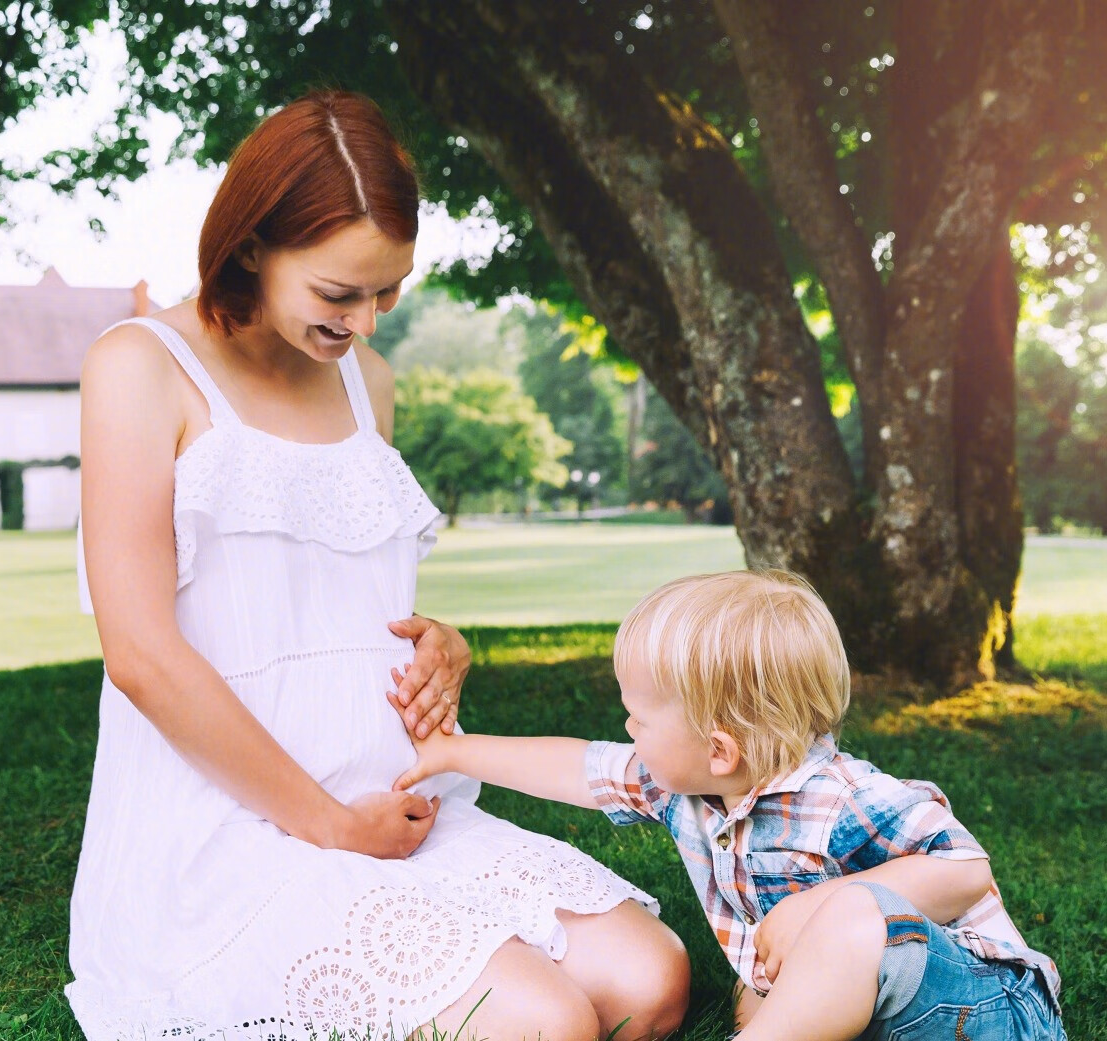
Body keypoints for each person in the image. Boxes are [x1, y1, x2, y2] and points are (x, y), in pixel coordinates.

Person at [69, 90, 688, 1041]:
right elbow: (142, 656)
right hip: (230, 824)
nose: (366, 321)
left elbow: (332, 595)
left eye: (387, 289)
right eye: (338, 292)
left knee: (651, 978)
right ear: (249, 248)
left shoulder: (370, 382)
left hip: (391, 797)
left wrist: (438, 643)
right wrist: (324, 821)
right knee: (541, 1021)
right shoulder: (139, 366)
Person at [395, 570, 1066, 1041]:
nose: (627, 733)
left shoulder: (840, 795)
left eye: (639, 720)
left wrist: (817, 907)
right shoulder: (682, 782)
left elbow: (966, 868)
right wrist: (456, 750)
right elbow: (579, 767)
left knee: (845, 918)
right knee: (763, 985)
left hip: (984, 1011)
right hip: (878, 1013)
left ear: (718, 749)